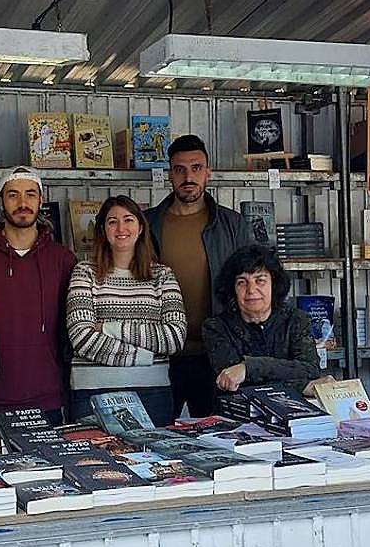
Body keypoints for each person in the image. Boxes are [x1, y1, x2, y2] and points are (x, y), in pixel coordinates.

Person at [0, 166, 77, 425]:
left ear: (41, 200)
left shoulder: (63, 260)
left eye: (30, 194)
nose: (22, 203)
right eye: (13, 195)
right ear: (0, 201)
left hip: (48, 398)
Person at [143, 134, 255, 419]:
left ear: (208, 172)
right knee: (154, 437)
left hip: (218, 355)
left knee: (221, 435)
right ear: (169, 174)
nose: (188, 177)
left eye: (196, 168)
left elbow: (253, 283)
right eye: (179, 169)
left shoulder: (232, 225)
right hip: (160, 355)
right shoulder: (147, 223)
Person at [67, 196, 186, 426]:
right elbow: (81, 337)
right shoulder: (84, 272)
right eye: (112, 222)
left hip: (152, 393)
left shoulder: (162, 275)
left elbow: (174, 337)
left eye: (128, 220)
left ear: (140, 228)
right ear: (103, 230)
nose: (121, 228)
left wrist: (107, 328)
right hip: (92, 392)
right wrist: (143, 357)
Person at [202, 244, 320, 393]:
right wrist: (302, 386)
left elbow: (310, 370)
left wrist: (247, 368)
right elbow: (234, 383)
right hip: (240, 407)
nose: (251, 290)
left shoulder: (296, 320)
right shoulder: (216, 327)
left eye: (260, 280)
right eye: (242, 282)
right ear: (232, 289)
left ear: (274, 284)